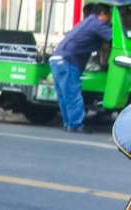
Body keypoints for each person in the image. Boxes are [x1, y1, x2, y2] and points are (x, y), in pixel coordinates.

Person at [50, 3, 113, 132]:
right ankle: (76, 125)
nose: (110, 19)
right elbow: (115, 37)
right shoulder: (97, 24)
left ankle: (69, 123)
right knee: (73, 93)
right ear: (102, 14)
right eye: (109, 15)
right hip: (67, 61)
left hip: (57, 60)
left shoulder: (88, 22)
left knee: (65, 95)